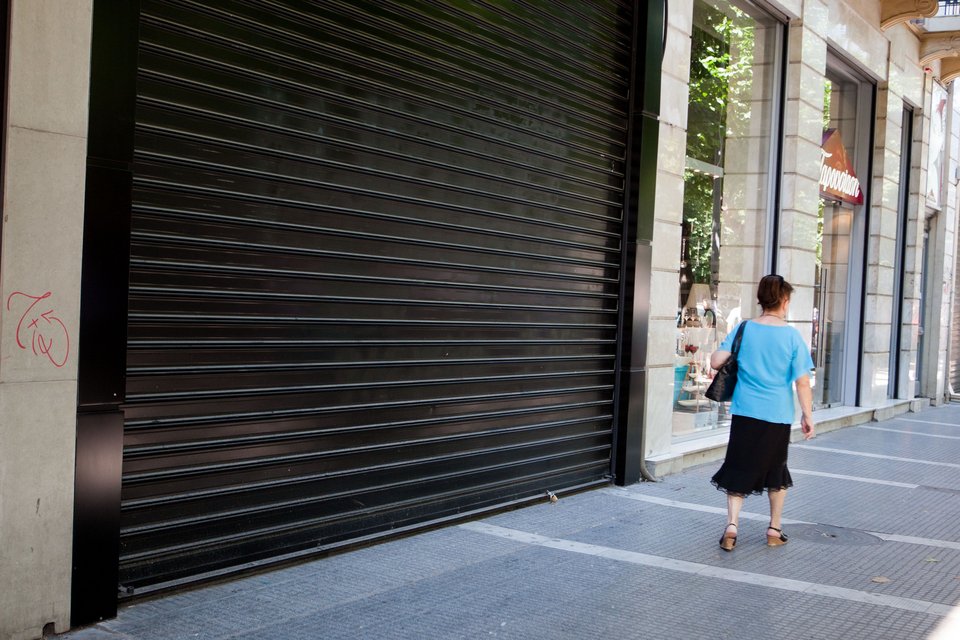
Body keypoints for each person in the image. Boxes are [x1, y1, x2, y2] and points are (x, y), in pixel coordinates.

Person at [709, 274, 815, 551]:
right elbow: (802, 382)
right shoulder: (792, 336)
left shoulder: (745, 329)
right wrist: (807, 415)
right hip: (777, 414)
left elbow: (716, 360)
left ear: (761, 299)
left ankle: (732, 527)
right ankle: (773, 529)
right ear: (784, 300)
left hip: (745, 411)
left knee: (738, 466)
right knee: (775, 470)